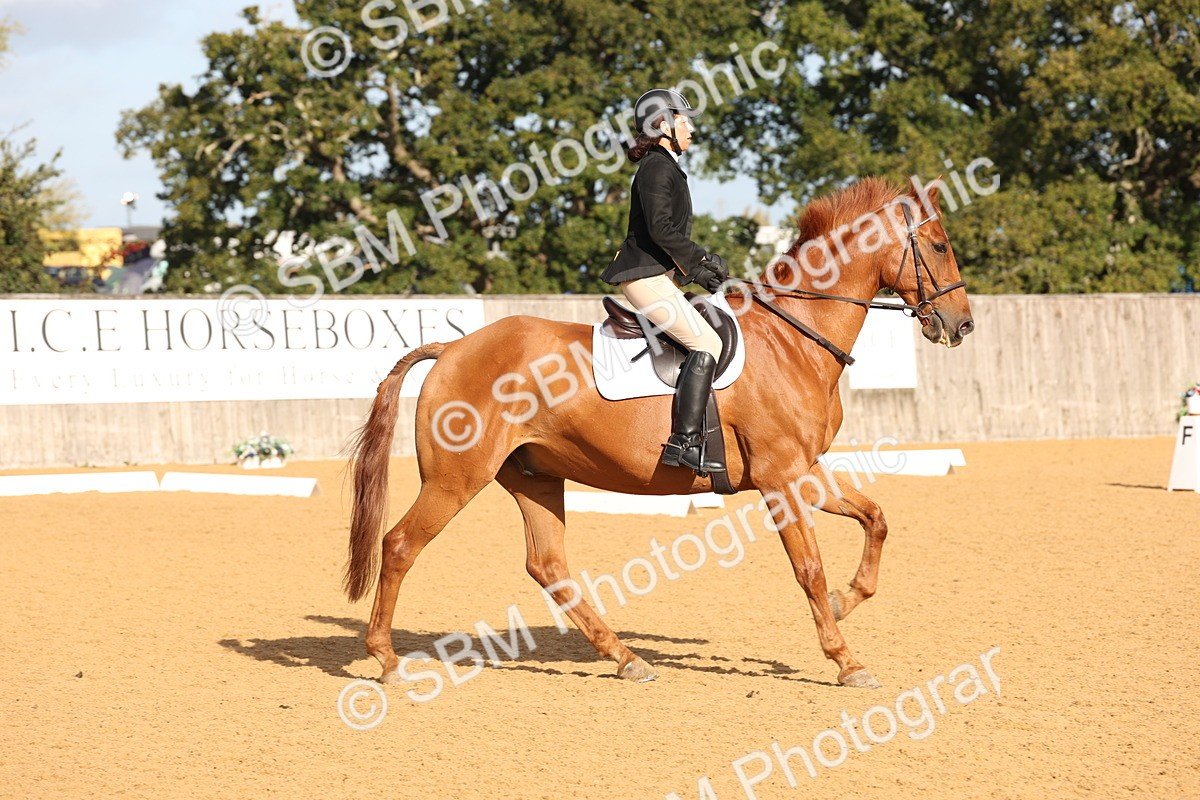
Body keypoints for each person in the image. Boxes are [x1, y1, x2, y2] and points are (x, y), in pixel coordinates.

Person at [601, 88, 730, 474]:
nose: (691, 128)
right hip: (644, 276)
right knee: (707, 341)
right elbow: (660, 229)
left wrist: (697, 269)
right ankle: (685, 442)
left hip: (659, 276)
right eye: (684, 120)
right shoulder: (657, 167)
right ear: (662, 124)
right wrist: (700, 259)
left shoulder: (667, 165)